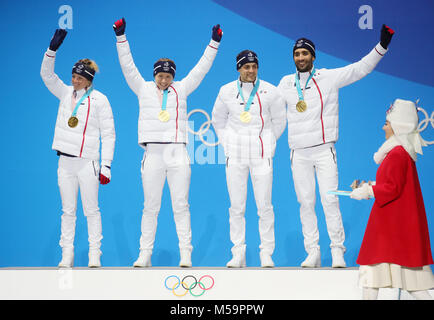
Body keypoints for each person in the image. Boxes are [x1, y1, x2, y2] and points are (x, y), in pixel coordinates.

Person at [278, 25, 395, 268]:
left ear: (313, 56)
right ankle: (313, 252)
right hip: (298, 153)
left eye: (305, 53)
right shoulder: (285, 83)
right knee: (306, 203)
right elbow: (268, 108)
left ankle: (337, 251)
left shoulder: (328, 77)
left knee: (329, 199)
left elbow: (360, 68)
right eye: (297, 54)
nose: (301, 57)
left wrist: (381, 47)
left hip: (323, 150)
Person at [113, 18, 222, 267]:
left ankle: (186, 253)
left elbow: (201, 69)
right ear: (155, 76)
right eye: (161, 76)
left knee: (181, 205)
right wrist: (121, 37)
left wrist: (214, 43)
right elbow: (128, 66)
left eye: (168, 76)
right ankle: (145, 254)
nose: (164, 80)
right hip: (152, 153)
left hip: (177, 153)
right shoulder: (142, 88)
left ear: (173, 76)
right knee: (150, 206)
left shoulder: (181, 89)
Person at [40, 29, 116, 268]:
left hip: (88, 163)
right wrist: (51, 50)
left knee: (91, 210)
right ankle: (67, 254)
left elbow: (109, 134)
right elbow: (46, 74)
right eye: (73, 76)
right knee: (68, 211)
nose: (74, 80)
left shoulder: (100, 100)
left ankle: (95, 253)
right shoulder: (64, 93)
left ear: (89, 80)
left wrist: (106, 166)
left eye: (79, 78)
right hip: (65, 162)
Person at [350, 99, 434, 300]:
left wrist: (368, 191)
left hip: (388, 228)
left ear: (398, 126)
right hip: (394, 228)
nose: (383, 127)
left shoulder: (397, 154)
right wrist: (369, 185)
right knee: (408, 282)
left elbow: (392, 188)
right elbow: (393, 184)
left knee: (371, 275)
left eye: (387, 123)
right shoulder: (402, 153)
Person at [212, 50, 287, 267]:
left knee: (265, 206)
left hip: (261, 156)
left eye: (254, 66)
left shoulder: (271, 91)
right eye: (246, 67)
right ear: (239, 68)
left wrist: (268, 144)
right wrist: (228, 144)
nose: (251, 70)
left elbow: (280, 121)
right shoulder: (226, 91)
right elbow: (218, 120)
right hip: (235, 157)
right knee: (237, 206)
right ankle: (238, 253)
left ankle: (266, 253)